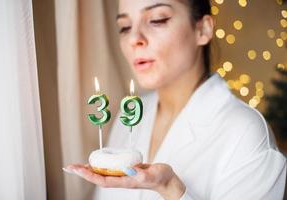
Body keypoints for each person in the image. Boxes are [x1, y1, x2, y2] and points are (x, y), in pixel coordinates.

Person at [64, 0, 286, 199]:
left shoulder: (246, 133)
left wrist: (170, 188)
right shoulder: (127, 117)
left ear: (203, 29)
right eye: (124, 27)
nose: (134, 39)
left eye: (157, 20)